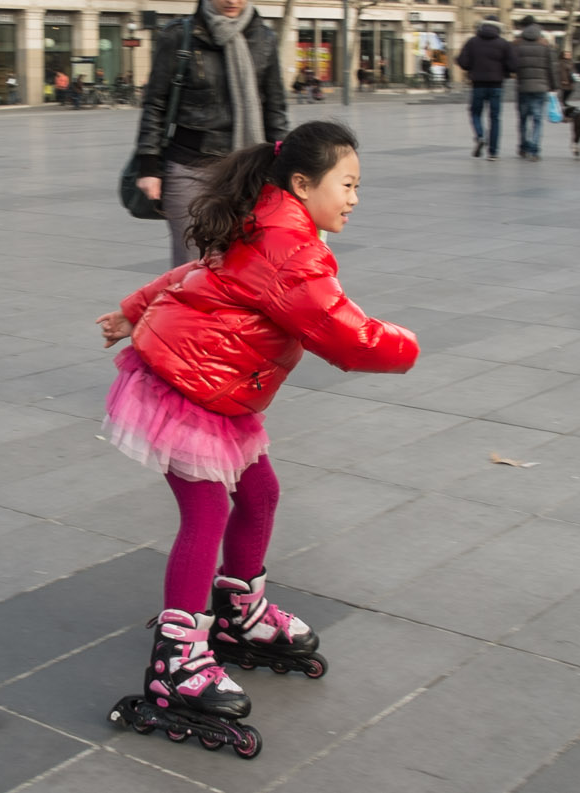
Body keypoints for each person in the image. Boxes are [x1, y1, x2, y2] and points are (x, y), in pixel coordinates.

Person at [94, 121, 418, 737]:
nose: (354, 198)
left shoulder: (269, 223)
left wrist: (133, 309)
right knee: (208, 511)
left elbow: (191, 275)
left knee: (259, 493)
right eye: (346, 185)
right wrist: (408, 345)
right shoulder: (290, 252)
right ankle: (178, 662)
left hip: (214, 384)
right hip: (188, 385)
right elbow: (348, 339)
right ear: (302, 183)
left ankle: (240, 610)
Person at [131, 0, 288, 267]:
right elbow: (155, 103)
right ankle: (183, 313)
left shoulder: (264, 39)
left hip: (247, 172)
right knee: (192, 265)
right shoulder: (179, 36)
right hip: (190, 168)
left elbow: (275, 110)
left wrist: (285, 168)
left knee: (241, 264)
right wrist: (149, 166)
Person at [456, 19, 517, 161]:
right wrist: (504, 71)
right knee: (495, 118)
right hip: (496, 85)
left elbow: (462, 62)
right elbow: (514, 66)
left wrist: (472, 67)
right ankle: (493, 153)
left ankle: (480, 135)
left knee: (475, 113)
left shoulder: (472, 42)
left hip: (478, 84)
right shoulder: (503, 43)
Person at [512, 24, 558, 162]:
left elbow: (513, 67)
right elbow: (552, 68)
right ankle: (534, 150)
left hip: (523, 88)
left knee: (523, 120)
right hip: (540, 88)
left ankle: (524, 147)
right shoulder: (545, 47)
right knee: (537, 120)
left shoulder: (518, 47)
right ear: (539, 34)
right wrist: (554, 86)